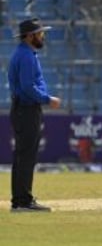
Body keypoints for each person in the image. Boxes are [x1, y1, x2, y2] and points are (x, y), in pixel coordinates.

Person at [7, 18, 62, 212]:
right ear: (30, 36)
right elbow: (28, 87)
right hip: (26, 109)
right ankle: (23, 201)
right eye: (40, 33)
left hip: (24, 109)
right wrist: (48, 99)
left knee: (23, 155)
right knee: (26, 156)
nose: (42, 36)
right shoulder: (26, 56)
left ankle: (20, 199)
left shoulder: (24, 54)